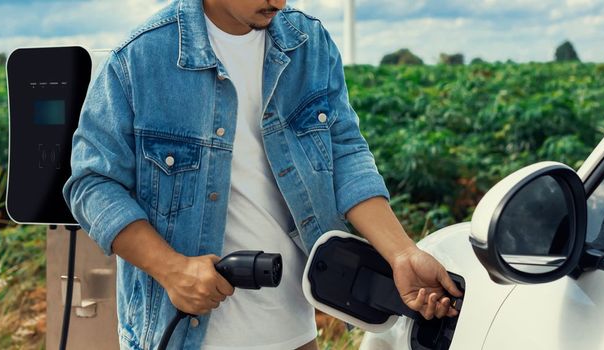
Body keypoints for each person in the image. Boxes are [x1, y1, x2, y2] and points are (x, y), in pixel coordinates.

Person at [63, 0, 462, 349]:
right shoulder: (139, 59)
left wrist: (402, 253)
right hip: (184, 332)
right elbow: (92, 183)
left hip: (293, 330)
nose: (280, 1)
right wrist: (171, 269)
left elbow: (344, 153)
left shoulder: (309, 43)